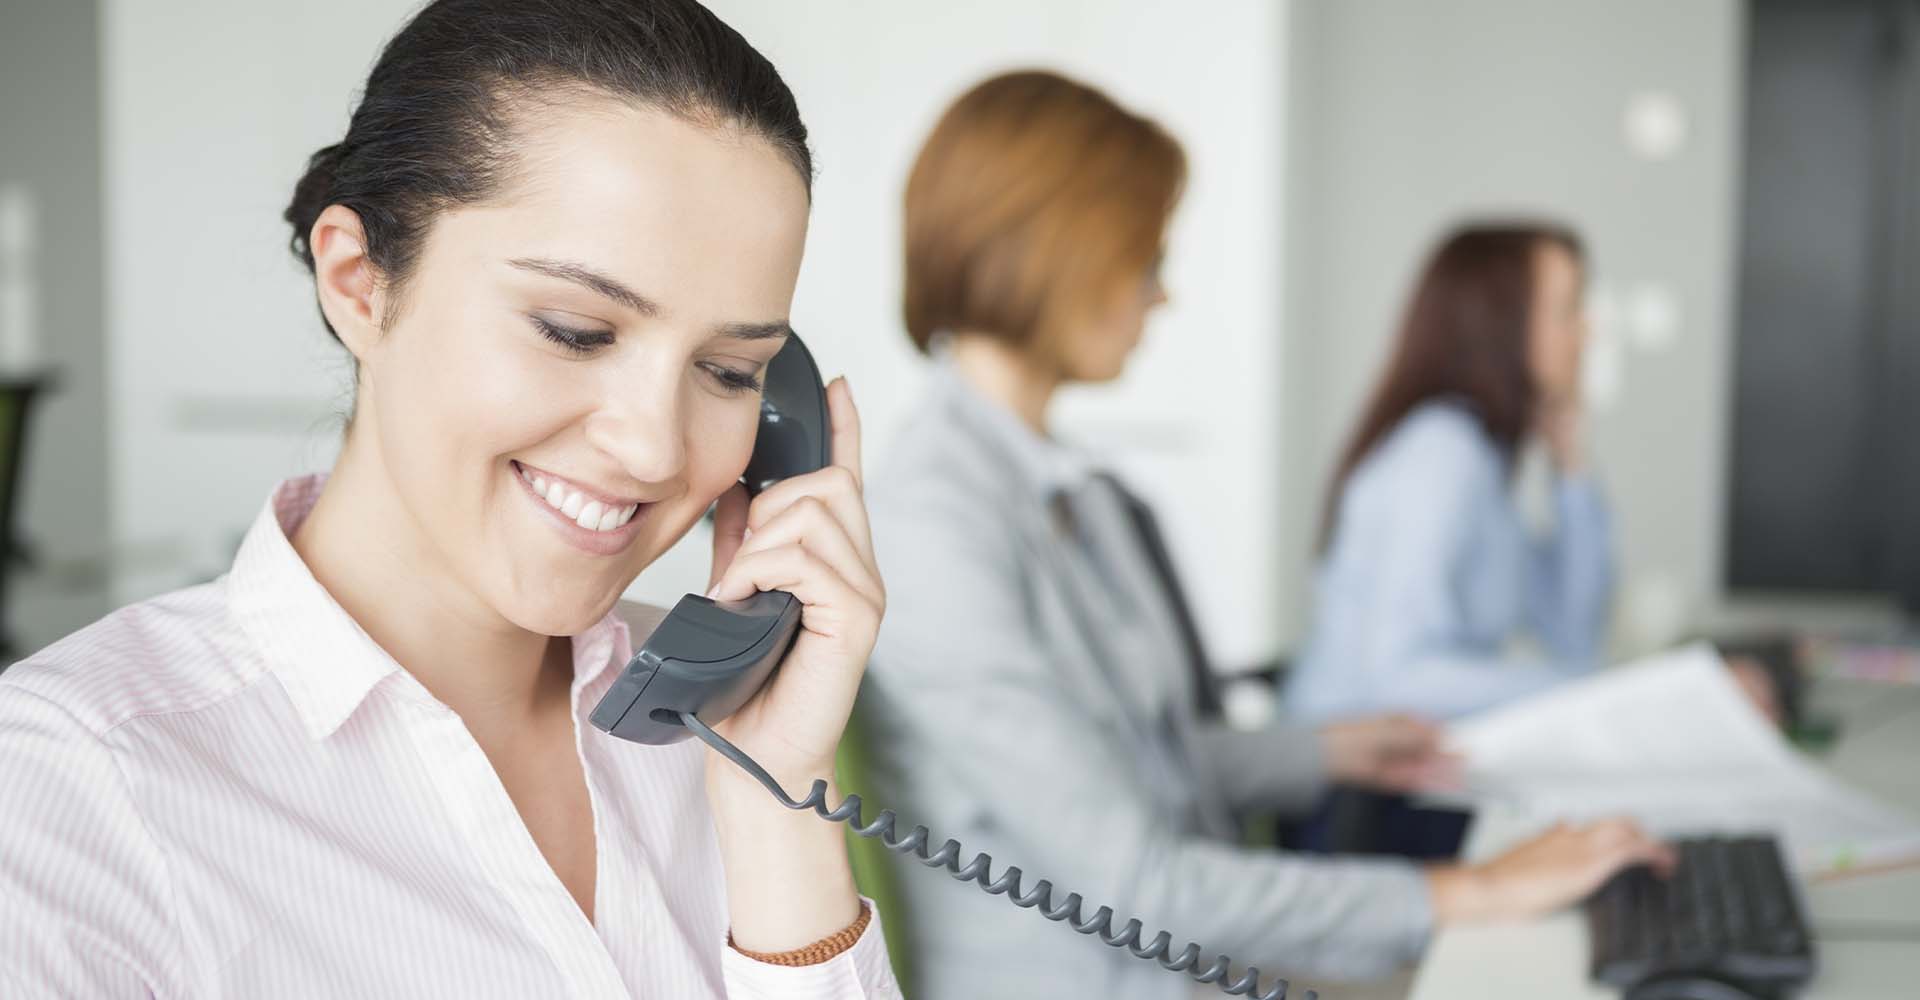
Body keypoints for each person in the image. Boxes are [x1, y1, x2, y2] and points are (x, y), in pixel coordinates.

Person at [0, 2, 899, 996]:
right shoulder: (67, 787)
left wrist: (774, 802)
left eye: (730, 369)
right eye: (572, 329)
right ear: (359, 284)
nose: (652, 447)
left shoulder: (722, 728)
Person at [862, 70, 1670, 999]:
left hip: (1200, 962)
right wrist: (1478, 888)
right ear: (1058, 251)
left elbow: (1140, 762)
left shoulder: (1077, 491)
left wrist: (1320, 750)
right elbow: (1139, 885)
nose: (1160, 297)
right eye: (1147, 258)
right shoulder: (931, 524)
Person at [1286, 223, 1615, 722]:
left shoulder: (1485, 461)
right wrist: (1599, 689)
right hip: (1352, 782)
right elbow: (1398, 677)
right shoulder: (1440, 455)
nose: (1588, 332)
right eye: (1568, 310)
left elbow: (1573, 636)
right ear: (1500, 321)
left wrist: (1571, 467)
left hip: (1411, 761)